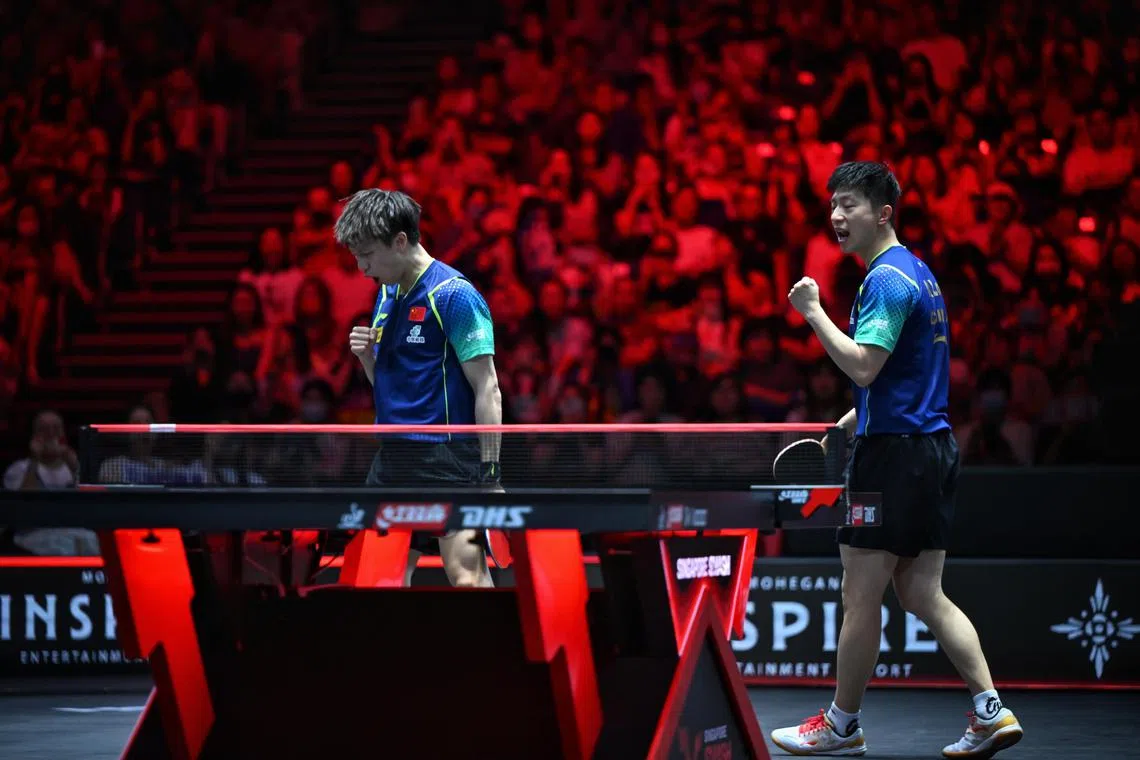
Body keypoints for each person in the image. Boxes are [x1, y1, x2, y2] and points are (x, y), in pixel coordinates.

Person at [770, 162, 1024, 758]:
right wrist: (853, 418)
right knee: (923, 594)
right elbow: (906, 376)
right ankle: (991, 710)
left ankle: (841, 725)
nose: (836, 216)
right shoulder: (921, 275)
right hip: (930, 448)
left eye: (850, 204)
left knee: (860, 595)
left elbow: (862, 365)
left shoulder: (885, 280)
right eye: (833, 204)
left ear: (883, 212)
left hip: (894, 459)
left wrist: (811, 310)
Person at [335, 188, 503, 588]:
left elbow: (488, 389)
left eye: (368, 255)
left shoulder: (454, 295)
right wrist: (367, 360)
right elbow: (390, 388)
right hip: (393, 456)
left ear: (400, 241)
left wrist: (491, 474)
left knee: (466, 577)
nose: (361, 267)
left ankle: (495, 650)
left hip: (446, 459)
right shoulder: (387, 293)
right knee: (374, 581)